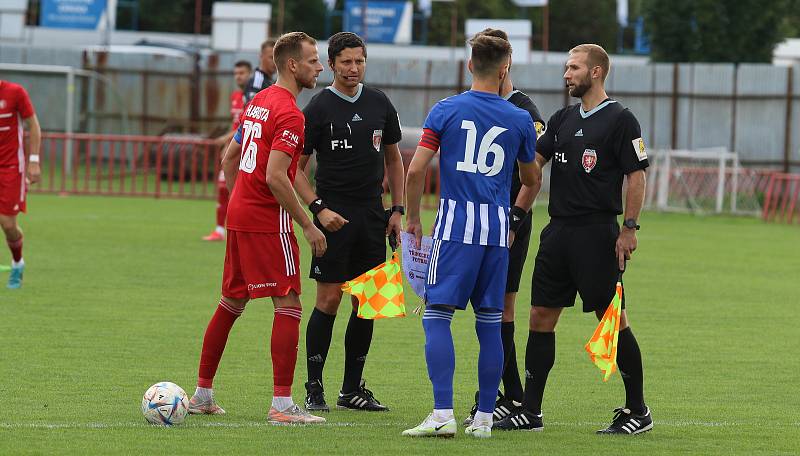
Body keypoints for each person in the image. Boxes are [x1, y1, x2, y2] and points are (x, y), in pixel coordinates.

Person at [494, 44, 652, 434]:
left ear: (596, 72)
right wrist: (515, 212)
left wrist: (629, 228)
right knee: (540, 317)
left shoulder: (621, 119)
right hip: (558, 232)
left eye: (574, 67)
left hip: (597, 234)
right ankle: (531, 411)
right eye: (566, 67)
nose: (567, 74)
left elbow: (637, 174)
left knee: (610, 320)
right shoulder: (561, 119)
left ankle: (638, 411)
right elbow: (534, 167)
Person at [402, 34, 540, 439]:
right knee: (491, 323)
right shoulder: (518, 119)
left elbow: (415, 171)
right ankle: (484, 418)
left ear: (468, 66)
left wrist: (412, 218)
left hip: (456, 227)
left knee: (437, 315)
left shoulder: (446, 110)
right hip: (497, 232)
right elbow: (532, 178)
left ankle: (443, 412)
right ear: (505, 70)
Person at [187, 31, 328, 425]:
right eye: (314, 60)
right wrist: (307, 224)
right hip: (269, 222)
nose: (321, 67)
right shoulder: (290, 113)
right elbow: (276, 177)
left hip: (240, 218)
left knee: (231, 303)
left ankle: (202, 394)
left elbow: (228, 157)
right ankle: (282, 405)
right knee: (289, 304)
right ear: (292, 65)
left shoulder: (258, 103)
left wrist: (238, 203)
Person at [293, 32, 404, 412]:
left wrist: (397, 210)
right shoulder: (318, 108)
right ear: (333, 64)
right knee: (327, 300)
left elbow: (394, 159)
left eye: (359, 62)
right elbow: (296, 172)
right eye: (346, 63)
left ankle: (352, 389)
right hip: (333, 218)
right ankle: (314, 386)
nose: (353, 69)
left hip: (373, 217)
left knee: (366, 303)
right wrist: (319, 210)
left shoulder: (379, 103)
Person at [461, 28, 547, 427]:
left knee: (501, 307)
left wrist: (515, 218)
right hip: (474, 221)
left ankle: (507, 395)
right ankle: (504, 393)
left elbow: (534, 174)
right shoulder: (475, 104)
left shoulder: (523, 110)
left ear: (504, 63)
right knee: (486, 307)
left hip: (507, 222)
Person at [203, 60, 252, 242]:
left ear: (250, 74)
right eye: (236, 73)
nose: (238, 76)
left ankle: (240, 229)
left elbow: (246, 125)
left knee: (241, 192)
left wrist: (225, 139)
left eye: (242, 73)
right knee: (223, 188)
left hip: (246, 152)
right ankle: (220, 230)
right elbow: (236, 124)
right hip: (234, 150)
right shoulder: (235, 96)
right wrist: (228, 145)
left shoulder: (254, 96)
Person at [0, 80, 41, 289]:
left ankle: (17, 263)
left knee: (7, 224)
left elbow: (33, 124)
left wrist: (34, 161)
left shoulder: (15, 92)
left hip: (10, 167)